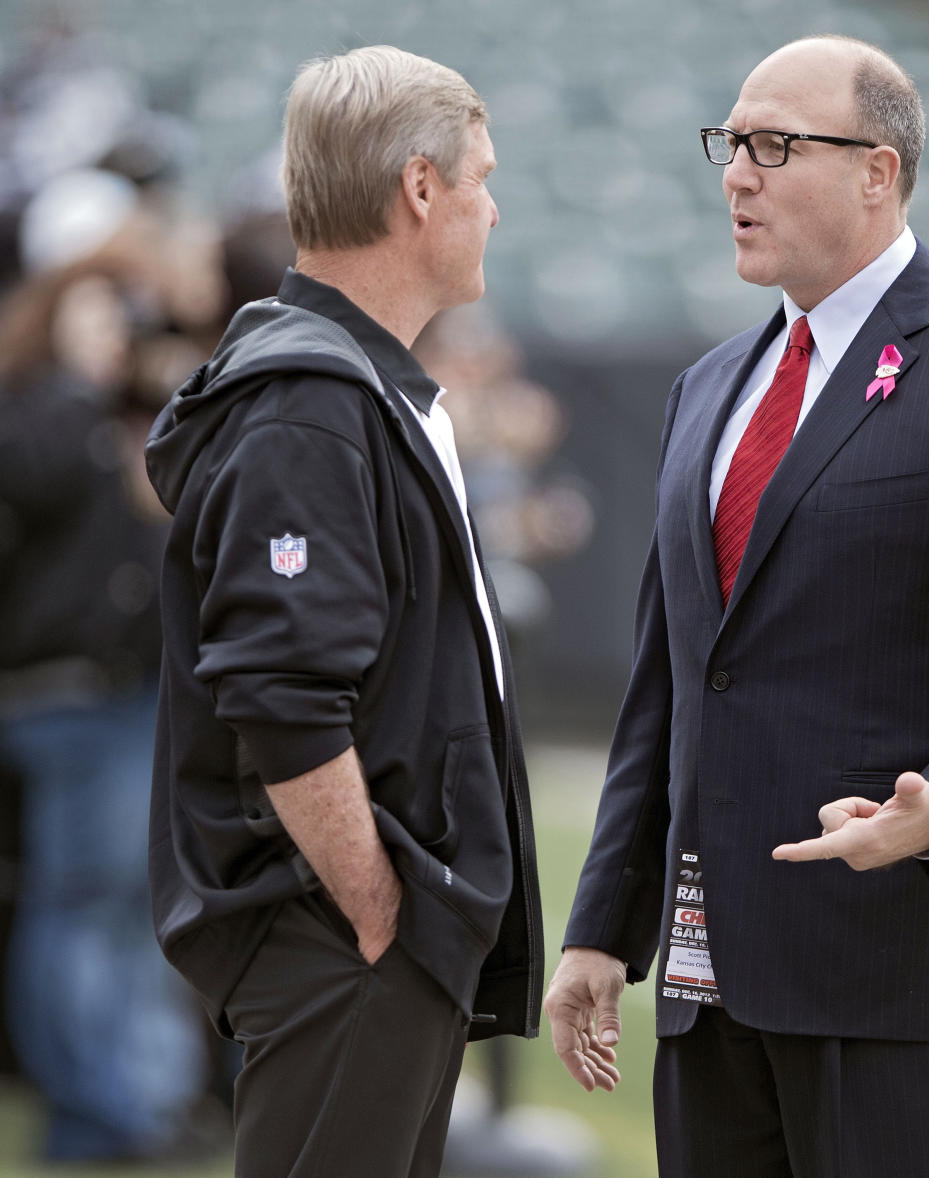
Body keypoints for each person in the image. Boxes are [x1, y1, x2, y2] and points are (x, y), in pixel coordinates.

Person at [544, 34, 929, 1178]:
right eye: (731, 144)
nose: (737, 174)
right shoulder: (708, 387)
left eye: (775, 145)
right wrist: (599, 926)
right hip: (710, 985)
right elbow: (672, 686)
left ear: (879, 171)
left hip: (905, 973)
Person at [144, 46, 542, 1178]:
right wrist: (378, 910)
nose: (495, 206)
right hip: (344, 935)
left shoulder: (345, 386)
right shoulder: (310, 406)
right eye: (482, 175)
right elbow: (281, 693)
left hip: (365, 938)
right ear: (421, 189)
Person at [0, 253, 210, 1164]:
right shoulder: (47, 414)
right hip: (73, 693)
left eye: (112, 322)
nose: (106, 336)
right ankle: (100, 1103)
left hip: (116, 690)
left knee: (122, 904)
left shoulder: (104, 420)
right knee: (85, 905)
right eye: (86, 319)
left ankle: (138, 1096)